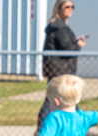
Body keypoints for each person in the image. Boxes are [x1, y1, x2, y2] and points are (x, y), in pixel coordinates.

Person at [37, 0, 87, 129]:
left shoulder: (58, 26)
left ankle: (81, 129)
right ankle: (41, 128)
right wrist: (78, 45)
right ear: (58, 9)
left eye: (72, 7)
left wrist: (74, 42)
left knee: (71, 100)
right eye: (67, 7)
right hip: (60, 71)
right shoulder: (60, 27)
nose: (70, 9)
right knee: (52, 101)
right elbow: (68, 50)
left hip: (57, 69)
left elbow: (63, 45)